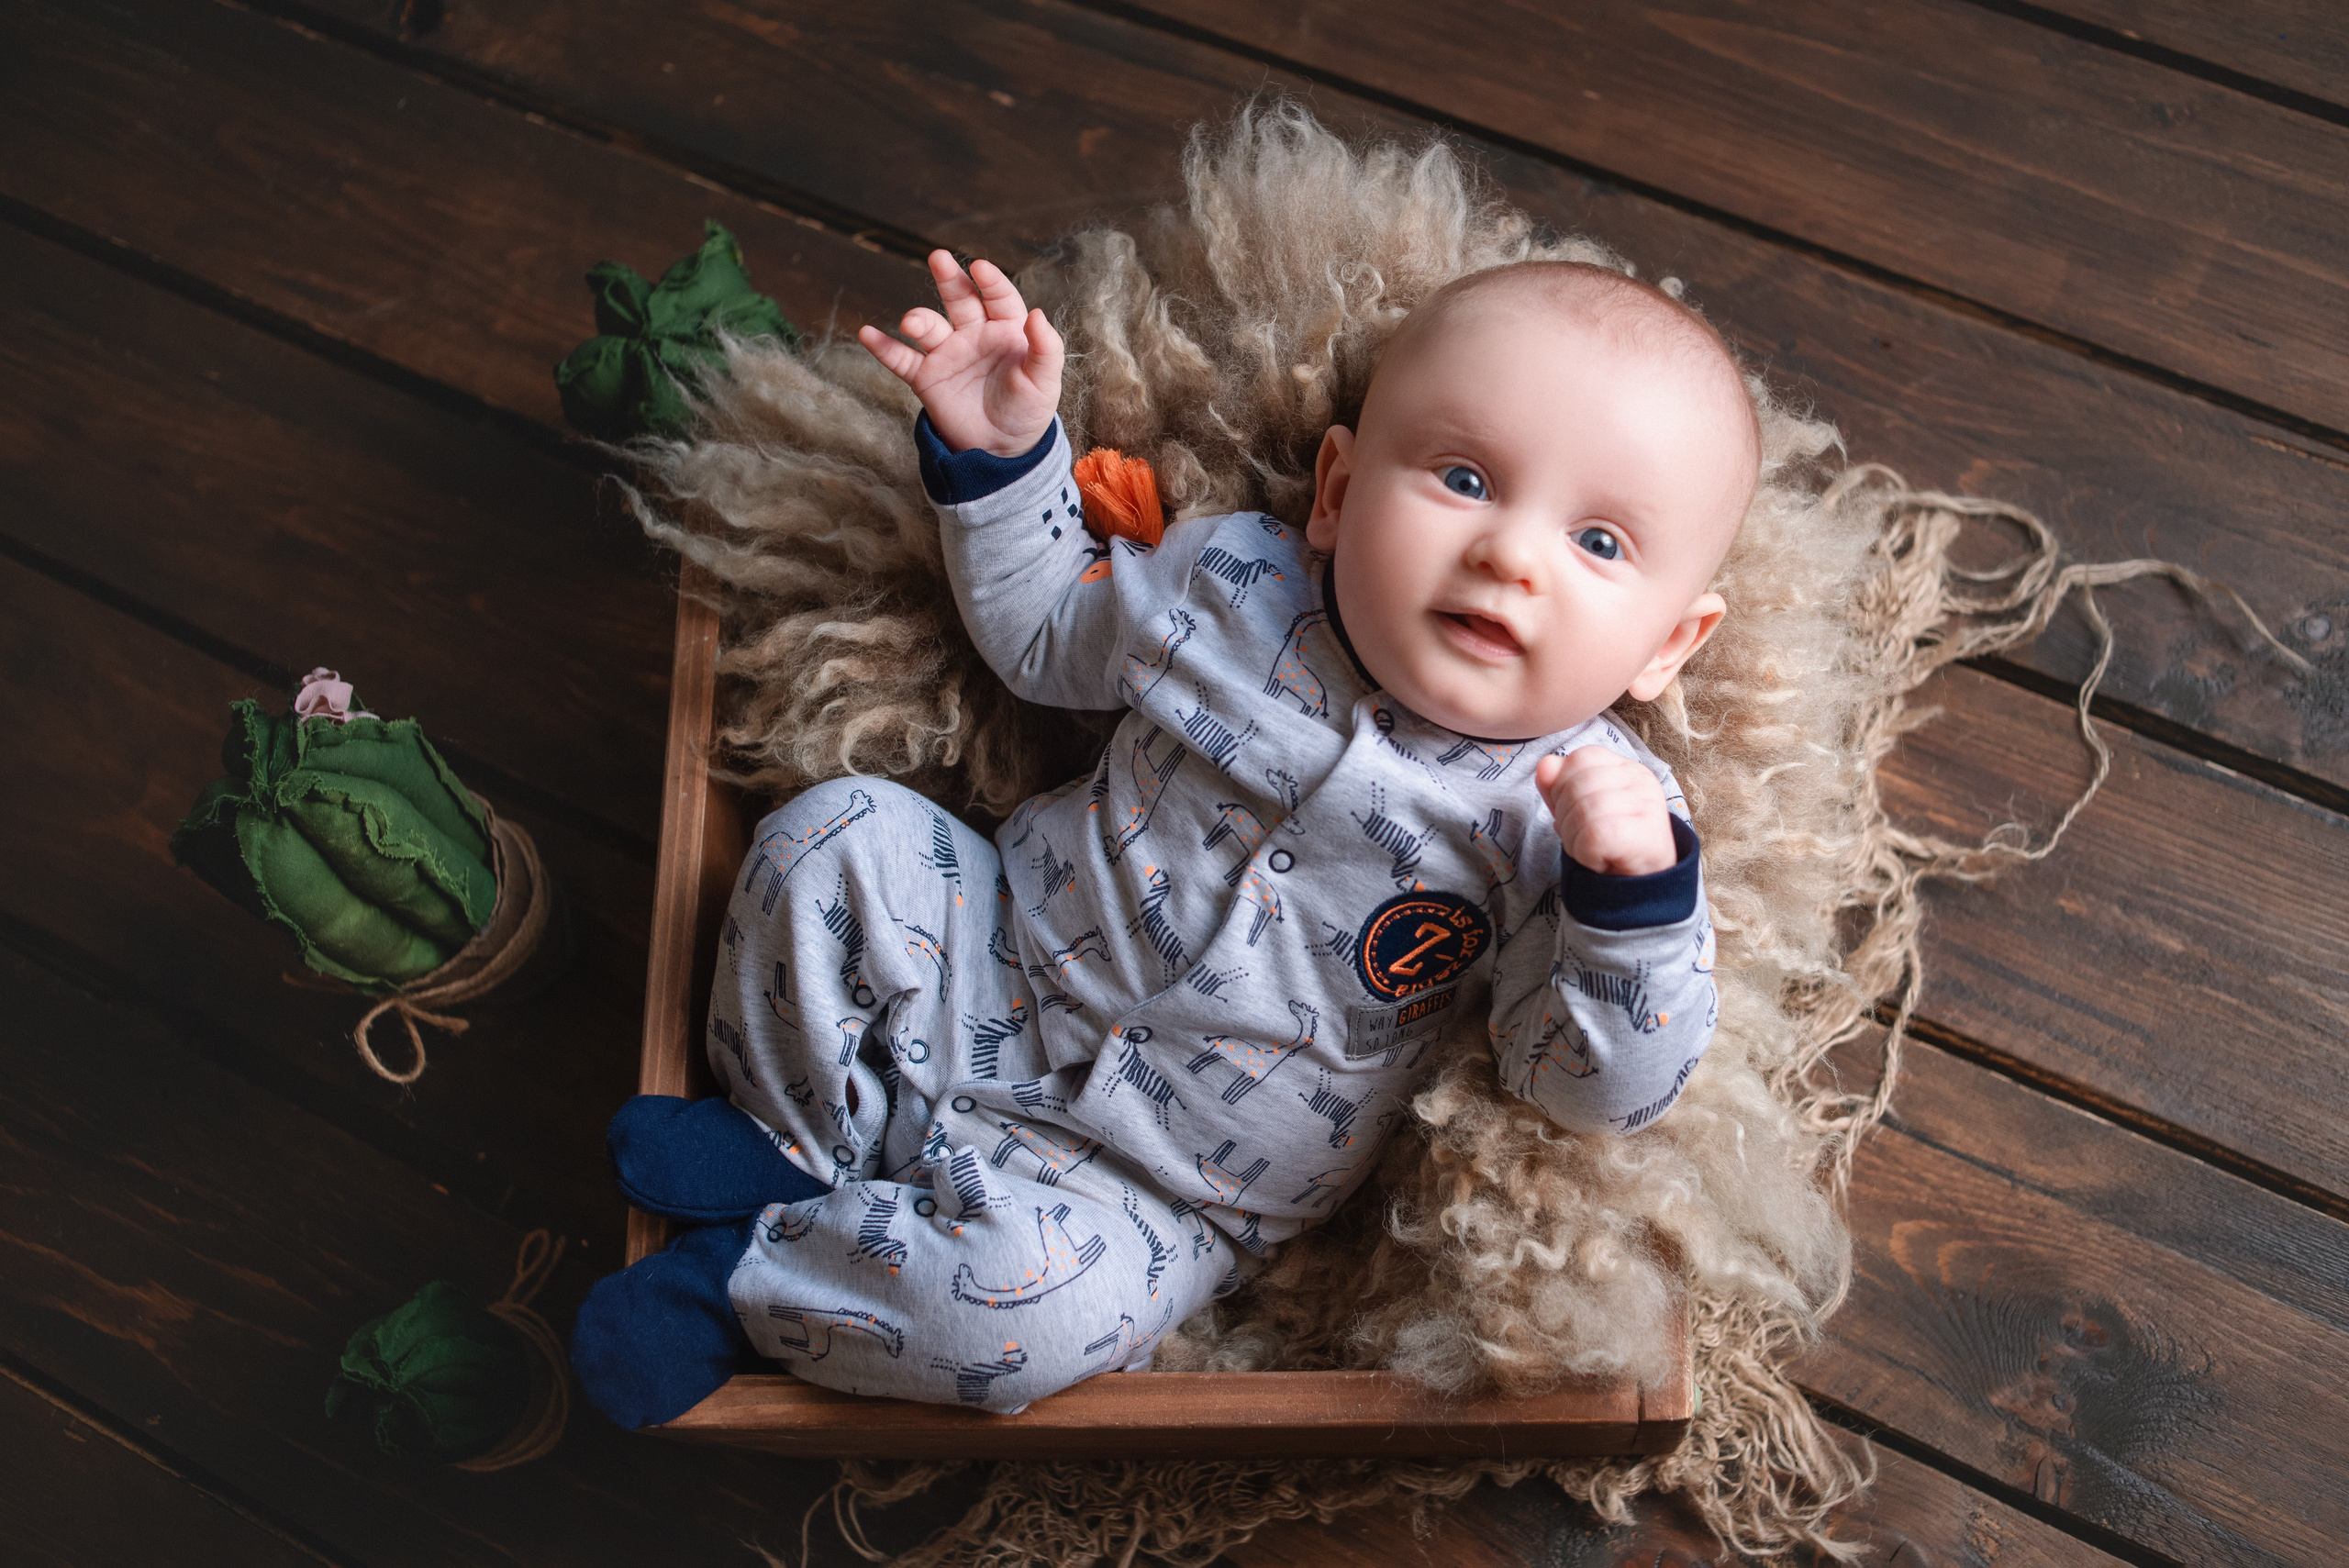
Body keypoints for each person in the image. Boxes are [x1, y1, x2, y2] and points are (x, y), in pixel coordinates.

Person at [571, 250, 1761, 1428]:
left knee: (1015, 1324)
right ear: (1338, 495)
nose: (1511, 553)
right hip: (990, 956)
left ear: (1668, 641)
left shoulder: (1592, 822)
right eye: (1463, 477)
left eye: (1600, 544)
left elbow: (1583, 1087)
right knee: (836, 834)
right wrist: (1001, 457)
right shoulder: (1238, 582)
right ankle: (796, 1134)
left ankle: (746, 1279)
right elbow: (1043, 633)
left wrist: (1633, 912)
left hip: (1157, 1187)